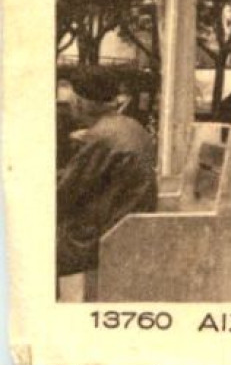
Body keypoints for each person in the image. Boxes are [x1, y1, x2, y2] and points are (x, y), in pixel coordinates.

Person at [56, 67, 159, 279]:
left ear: (80, 103)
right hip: (130, 231)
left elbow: (62, 197)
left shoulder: (99, 139)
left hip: (98, 241)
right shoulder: (133, 126)